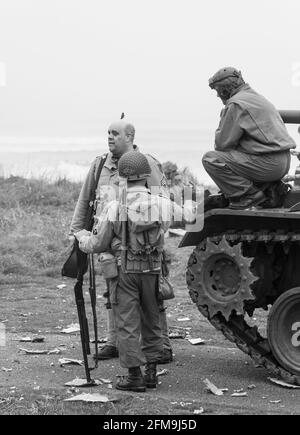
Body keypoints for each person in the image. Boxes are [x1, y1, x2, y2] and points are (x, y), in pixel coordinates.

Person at [75, 151, 193, 392]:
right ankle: (151, 372)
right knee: (152, 320)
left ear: (121, 178)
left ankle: (134, 377)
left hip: (123, 273)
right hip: (153, 272)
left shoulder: (114, 207)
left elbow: (98, 244)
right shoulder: (161, 204)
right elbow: (189, 216)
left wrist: (82, 238)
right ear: (146, 177)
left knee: (127, 324)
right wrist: (190, 197)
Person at [69, 118, 173, 363]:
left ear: (130, 137)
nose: (110, 137)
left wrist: (155, 237)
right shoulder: (99, 166)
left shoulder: (148, 164)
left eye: (115, 133)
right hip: (109, 244)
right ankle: (113, 342)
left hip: (144, 247)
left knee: (153, 298)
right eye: (108, 133)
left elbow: (164, 205)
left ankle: (162, 347)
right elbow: (86, 201)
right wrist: (77, 232)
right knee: (112, 295)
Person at [202, 67, 297, 210]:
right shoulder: (257, 98)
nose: (217, 96)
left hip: (268, 165)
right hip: (282, 162)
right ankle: (268, 189)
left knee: (211, 159)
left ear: (224, 89)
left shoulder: (236, 104)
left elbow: (222, 144)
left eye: (217, 91)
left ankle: (247, 195)